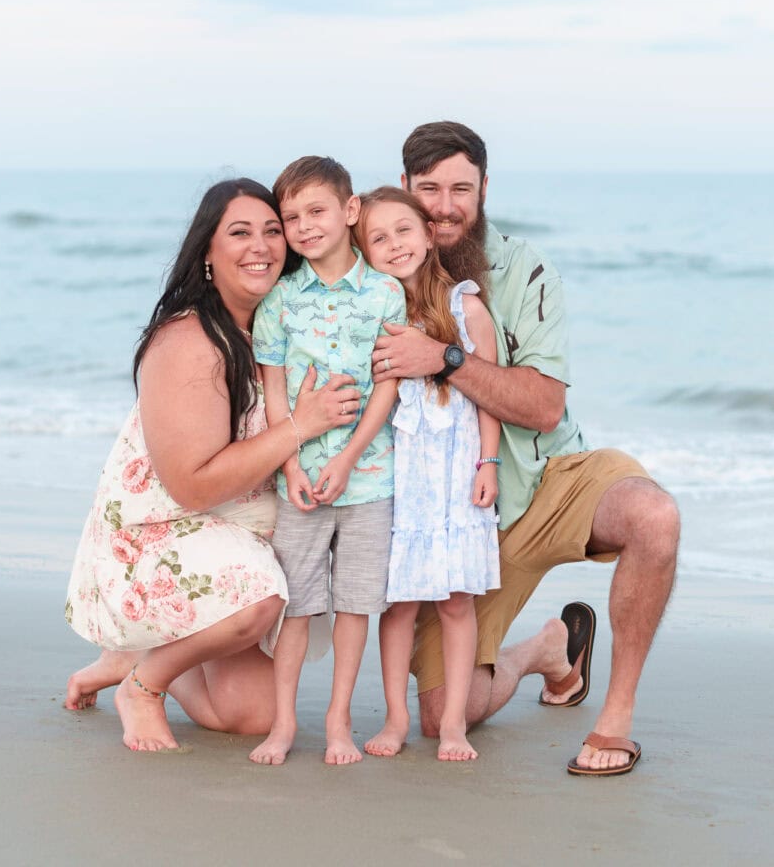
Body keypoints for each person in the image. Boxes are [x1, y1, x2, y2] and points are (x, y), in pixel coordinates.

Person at [370, 122, 681, 777]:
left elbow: (543, 405)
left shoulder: (526, 269)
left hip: (547, 474)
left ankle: (616, 718)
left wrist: (445, 358)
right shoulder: (376, 270)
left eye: (462, 187)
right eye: (429, 189)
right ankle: (549, 649)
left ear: (485, 188)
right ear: (404, 189)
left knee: (654, 517)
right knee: (441, 716)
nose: (446, 205)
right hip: (457, 515)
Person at [62, 177, 359, 753]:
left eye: (273, 231)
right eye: (240, 233)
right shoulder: (189, 341)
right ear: (207, 254)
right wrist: (302, 425)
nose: (262, 246)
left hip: (236, 533)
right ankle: (144, 687)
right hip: (159, 534)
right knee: (258, 598)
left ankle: (140, 655)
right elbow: (192, 487)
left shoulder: (284, 327)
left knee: (249, 716)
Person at [247, 157, 404, 766]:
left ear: (350, 211)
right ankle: (285, 721)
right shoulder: (282, 301)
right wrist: (290, 465)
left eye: (316, 211)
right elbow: (275, 389)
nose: (304, 226)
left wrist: (352, 457)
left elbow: (387, 386)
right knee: (299, 603)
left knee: (356, 603)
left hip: (369, 481)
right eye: (291, 218)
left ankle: (338, 719)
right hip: (301, 482)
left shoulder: (386, 293)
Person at [353, 186, 501, 762]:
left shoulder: (467, 307)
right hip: (401, 479)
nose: (394, 245)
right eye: (378, 238)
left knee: (458, 602)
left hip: (458, 475)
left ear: (426, 230)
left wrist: (488, 461)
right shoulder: (375, 315)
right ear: (363, 251)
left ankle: (455, 725)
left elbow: (490, 393)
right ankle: (395, 718)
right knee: (399, 605)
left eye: (403, 230)